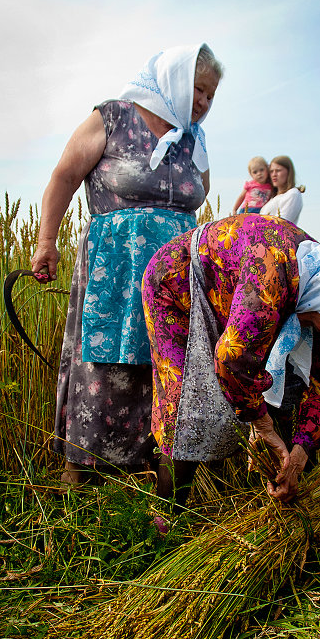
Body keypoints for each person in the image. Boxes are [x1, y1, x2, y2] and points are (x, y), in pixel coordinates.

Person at [30, 43, 223, 485]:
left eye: (212, 96)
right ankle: (80, 481)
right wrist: (47, 241)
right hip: (116, 269)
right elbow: (63, 176)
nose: (204, 103)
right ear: (174, 80)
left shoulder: (194, 139)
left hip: (176, 277)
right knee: (106, 368)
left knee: (166, 365)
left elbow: (200, 194)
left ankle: (156, 482)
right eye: (198, 90)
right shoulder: (114, 117)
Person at [142, 214, 320, 505]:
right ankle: (164, 519)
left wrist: (301, 450)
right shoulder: (273, 273)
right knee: (186, 402)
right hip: (177, 283)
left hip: (235, 295)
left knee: (285, 389)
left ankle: (273, 490)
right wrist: (262, 425)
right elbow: (233, 359)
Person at [260, 155, 305, 224]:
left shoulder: (293, 194)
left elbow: (282, 223)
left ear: (289, 172)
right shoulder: (272, 198)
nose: (274, 174)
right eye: (271, 171)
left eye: (278, 170)